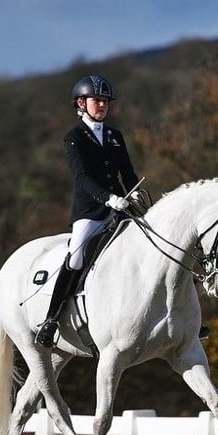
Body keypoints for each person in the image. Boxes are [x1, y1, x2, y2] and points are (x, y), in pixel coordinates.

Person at [35, 73, 141, 347]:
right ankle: (52, 319)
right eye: (97, 101)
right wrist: (108, 198)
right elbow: (82, 177)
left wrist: (134, 190)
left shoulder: (115, 136)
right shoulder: (74, 138)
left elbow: (128, 173)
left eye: (106, 101)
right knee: (76, 256)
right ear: (81, 104)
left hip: (121, 206)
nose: (103, 105)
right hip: (91, 211)